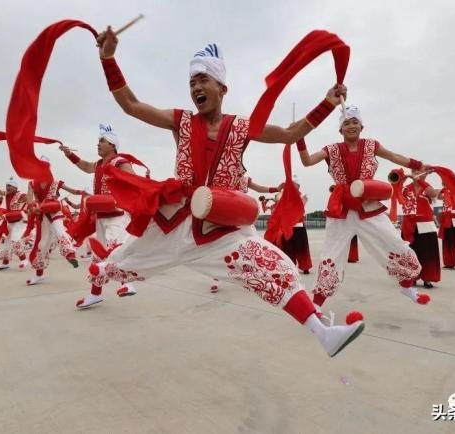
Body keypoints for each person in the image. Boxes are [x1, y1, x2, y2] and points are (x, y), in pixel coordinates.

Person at [88, 28, 364, 357]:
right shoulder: (181, 121)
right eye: (192, 82)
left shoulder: (242, 127)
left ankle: (323, 333)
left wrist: (329, 103)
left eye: (203, 80)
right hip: (174, 224)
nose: (196, 88)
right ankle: (98, 280)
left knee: (274, 266)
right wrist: (108, 58)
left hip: (221, 229)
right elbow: (131, 105)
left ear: (222, 87)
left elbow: (291, 134)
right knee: (119, 261)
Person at [297, 105, 428, 307]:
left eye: (355, 122)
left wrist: (418, 165)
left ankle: (407, 284)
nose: (351, 126)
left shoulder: (372, 145)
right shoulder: (331, 150)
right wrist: (299, 137)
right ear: (340, 130)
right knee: (331, 255)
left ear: (362, 126)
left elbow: (394, 156)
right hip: (342, 210)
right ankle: (316, 305)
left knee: (394, 241)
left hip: (369, 206)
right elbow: (307, 161)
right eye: (346, 123)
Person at [59, 124, 139, 308]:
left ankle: (128, 283)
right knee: (98, 257)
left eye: (102, 141)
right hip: (101, 217)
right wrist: (69, 154)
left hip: (117, 216)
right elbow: (86, 166)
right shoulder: (99, 164)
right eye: (98, 142)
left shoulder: (120, 162)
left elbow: (135, 182)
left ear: (112, 144)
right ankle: (95, 295)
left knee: (114, 249)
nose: (98, 144)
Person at [24, 160, 82, 285]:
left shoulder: (56, 183)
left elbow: (72, 191)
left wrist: (83, 193)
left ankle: (70, 254)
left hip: (55, 213)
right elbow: (29, 198)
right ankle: (39, 275)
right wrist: (31, 208)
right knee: (42, 245)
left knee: (60, 231)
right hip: (43, 216)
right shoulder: (32, 184)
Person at [400, 169, 441, 288]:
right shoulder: (406, 188)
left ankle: (427, 278)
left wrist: (421, 181)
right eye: (414, 171)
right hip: (409, 224)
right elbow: (398, 197)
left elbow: (434, 194)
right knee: (410, 252)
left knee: (428, 252)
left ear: (425, 174)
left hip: (426, 224)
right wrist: (399, 181)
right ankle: (411, 277)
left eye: (419, 171)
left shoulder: (427, 188)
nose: (416, 173)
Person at [0, 176, 30, 270]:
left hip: (20, 222)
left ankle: (24, 259)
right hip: (10, 222)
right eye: (7, 186)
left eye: (9, 186)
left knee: (14, 241)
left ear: (15, 187)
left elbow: (30, 202)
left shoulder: (22, 195)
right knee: (7, 244)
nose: (7, 188)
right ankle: (5, 263)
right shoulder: (7, 194)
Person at [273, 175, 312, 274]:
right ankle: (290, 266)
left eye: (293, 184)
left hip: (298, 226)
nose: (290, 186)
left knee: (302, 248)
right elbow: (278, 204)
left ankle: (305, 267)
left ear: (298, 186)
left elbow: (299, 207)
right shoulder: (283, 196)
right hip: (287, 227)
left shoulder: (303, 196)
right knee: (288, 248)